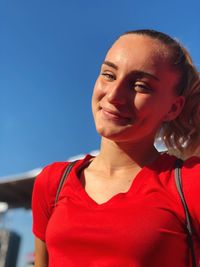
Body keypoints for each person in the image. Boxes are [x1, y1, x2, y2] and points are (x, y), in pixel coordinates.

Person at [32, 29, 200, 267]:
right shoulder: (52, 182)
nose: (113, 95)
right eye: (109, 75)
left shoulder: (191, 183)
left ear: (173, 107)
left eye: (140, 86)